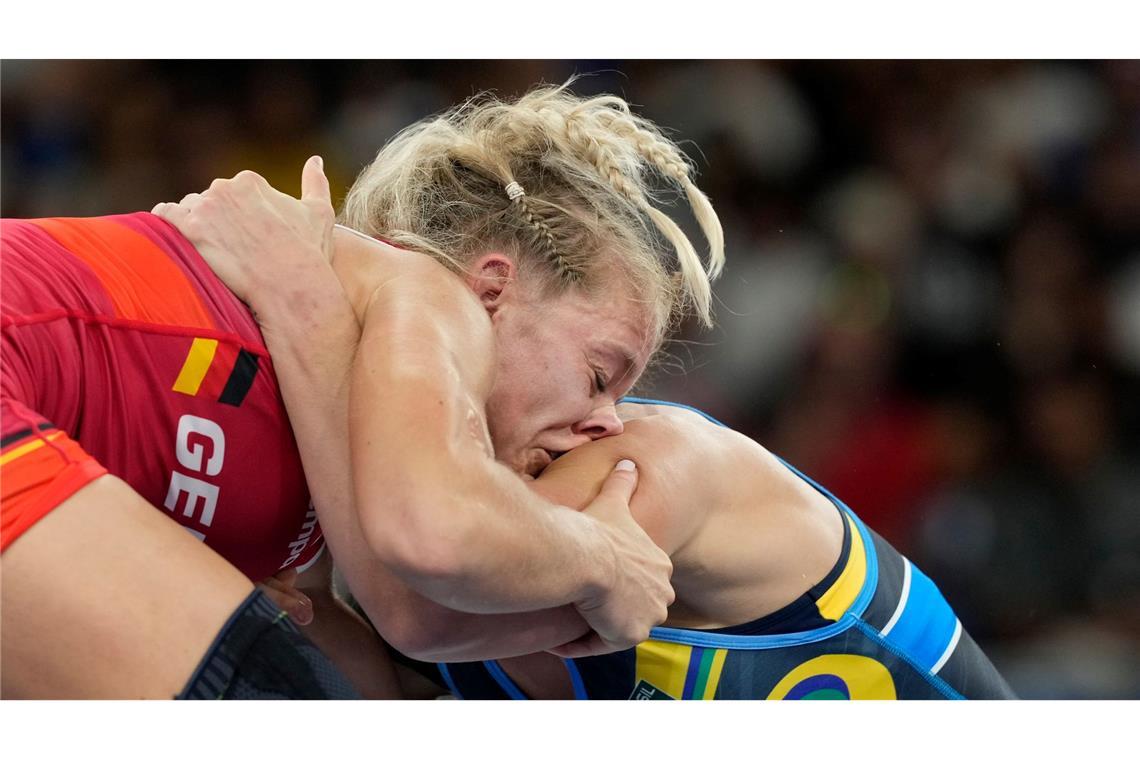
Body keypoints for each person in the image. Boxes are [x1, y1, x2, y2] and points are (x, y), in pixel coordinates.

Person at [1, 82, 724, 698]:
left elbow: (359, 651)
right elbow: (429, 560)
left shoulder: (345, 455)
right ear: (495, 287)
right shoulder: (432, 295)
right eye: (600, 376)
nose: (606, 422)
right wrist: (605, 560)